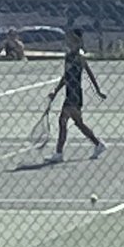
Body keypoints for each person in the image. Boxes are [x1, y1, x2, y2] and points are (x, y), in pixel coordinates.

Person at [46, 28, 106, 163]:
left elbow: (89, 74)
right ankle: (98, 144)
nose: (70, 42)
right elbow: (66, 77)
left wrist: (98, 91)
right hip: (70, 92)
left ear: (78, 41)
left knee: (63, 120)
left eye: (73, 40)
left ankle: (59, 153)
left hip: (75, 94)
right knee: (78, 123)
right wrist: (55, 91)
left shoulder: (79, 56)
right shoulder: (68, 56)